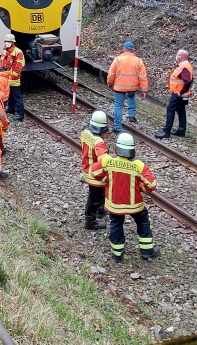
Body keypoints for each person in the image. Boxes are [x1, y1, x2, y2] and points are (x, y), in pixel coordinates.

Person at [89, 132, 160, 262]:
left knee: (116, 225)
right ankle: (147, 251)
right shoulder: (138, 165)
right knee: (143, 222)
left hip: (114, 204)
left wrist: (106, 178)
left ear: (117, 148)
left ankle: (117, 255)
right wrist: (139, 188)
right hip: (135, 204)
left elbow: (94, 172)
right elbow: (152, 184)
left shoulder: (107, 161)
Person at [106, 41, 148, 133]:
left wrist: (109, 83)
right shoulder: (138, 61)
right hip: (132, 87)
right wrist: (143, 90)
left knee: (118, 106)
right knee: (131, 96)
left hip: (119, 87)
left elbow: (111, 74)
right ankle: (132, 115)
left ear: (124, 49)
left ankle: (117, 128)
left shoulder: (117, 59)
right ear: (133, 50)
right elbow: (143, 77)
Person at [80, 110, 110, 230]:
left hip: (87, 169)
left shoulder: (85, 133)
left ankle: (101, 210)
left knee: (98, 194)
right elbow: (104, 161)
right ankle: (90, 221)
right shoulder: (99, 142)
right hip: (96, 175)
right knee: (94, 198)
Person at [156, 50, 194, 139]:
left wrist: (180, 92)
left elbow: (188, 81)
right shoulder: (187, 65)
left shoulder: (184, 67)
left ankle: (166, 131)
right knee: (181, 110)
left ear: (180, 57)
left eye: (177, 55)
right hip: (183, 93)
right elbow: (190, 80)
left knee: (170, 109)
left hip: (178, 93)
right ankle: (181, 130)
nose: (176, 56)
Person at [0, 33, 26, 121]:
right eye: (6, 41)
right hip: (6, 78)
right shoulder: (5, 51)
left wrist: (11, 77)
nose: (6, 43)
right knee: (9, 95)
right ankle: (10, 109)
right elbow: (1, 64)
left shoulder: (18, 52)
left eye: (8, 41)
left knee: (17, 97)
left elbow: (19, 66)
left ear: (12, 42)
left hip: (13, 80)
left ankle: (19, 115)